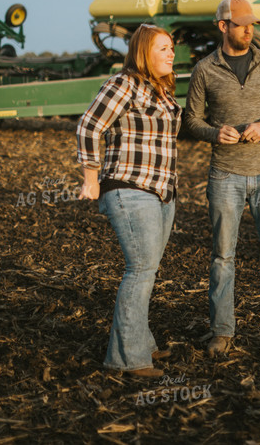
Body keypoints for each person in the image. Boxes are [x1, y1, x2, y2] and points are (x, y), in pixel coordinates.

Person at [184, 0, 260, 360]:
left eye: (253, 24)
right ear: (223, 26)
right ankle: (222, 332)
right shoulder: (204, 69)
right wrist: (214, 133)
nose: (249, 29)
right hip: (224, 176)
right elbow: (191, 120)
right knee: (222, 257)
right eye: (242, 23)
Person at [76, 24, 181, 378]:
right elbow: (90, 126)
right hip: (130, 187)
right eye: (163, 48)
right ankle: (126, 359)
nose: (171, 54)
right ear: (143, 53)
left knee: (147, 271)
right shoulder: (124, 84)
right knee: (140, 270)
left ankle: (142, 342)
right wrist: (90, 178)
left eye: (171, 48)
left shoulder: (163, 91)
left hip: (162, 191)